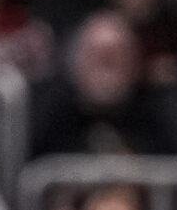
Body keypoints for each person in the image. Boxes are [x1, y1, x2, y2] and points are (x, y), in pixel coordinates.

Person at [29, 13, 164, 157]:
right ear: (74, 62)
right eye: (97, 56)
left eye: (116, 56)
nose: (107, 70)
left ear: (135, 64)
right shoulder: (48, 117)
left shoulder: (156, 117)